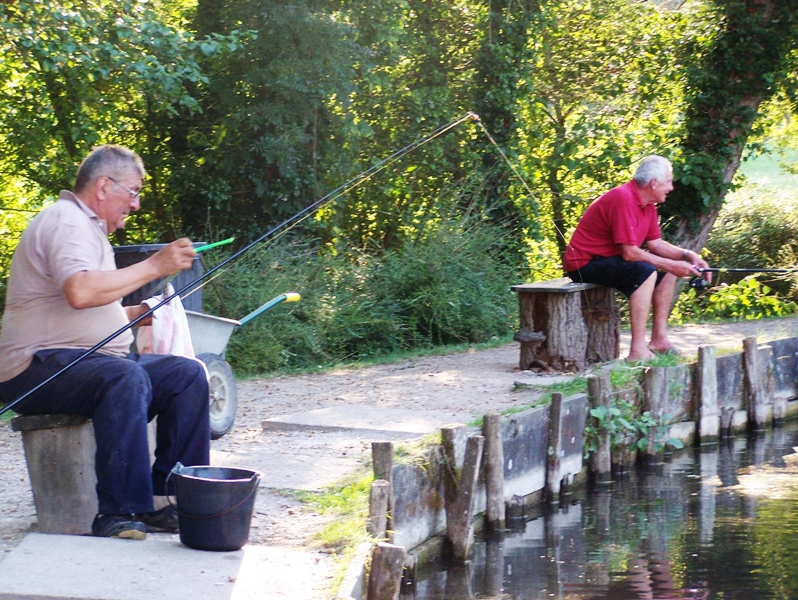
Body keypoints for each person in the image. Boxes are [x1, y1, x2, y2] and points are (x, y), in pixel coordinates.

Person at [0, 145, 210, 540]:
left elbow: (87, 304)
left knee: (187, 375)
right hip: (33, 368)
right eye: (132, 192)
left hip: (82, 362)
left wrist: (137, 314)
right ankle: (118, 512)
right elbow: (79, 291)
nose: (136, 204)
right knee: (122, 378)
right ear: (102, 186)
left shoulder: (90, 229)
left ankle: (168, 498)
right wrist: (155, 265)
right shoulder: (66, 220)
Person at [563, 155, 711, 361]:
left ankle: (659, 339)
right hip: (584, 264)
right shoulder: (623, 199)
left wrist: (688, 256)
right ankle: (637, 350)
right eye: (669, 182)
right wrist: (672, 264)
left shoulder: (647, 204)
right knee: (646, 271)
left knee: (668, 272)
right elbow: (630, 253)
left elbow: (656, 244)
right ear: (654, 183)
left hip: (607, 260)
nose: (671, 188)